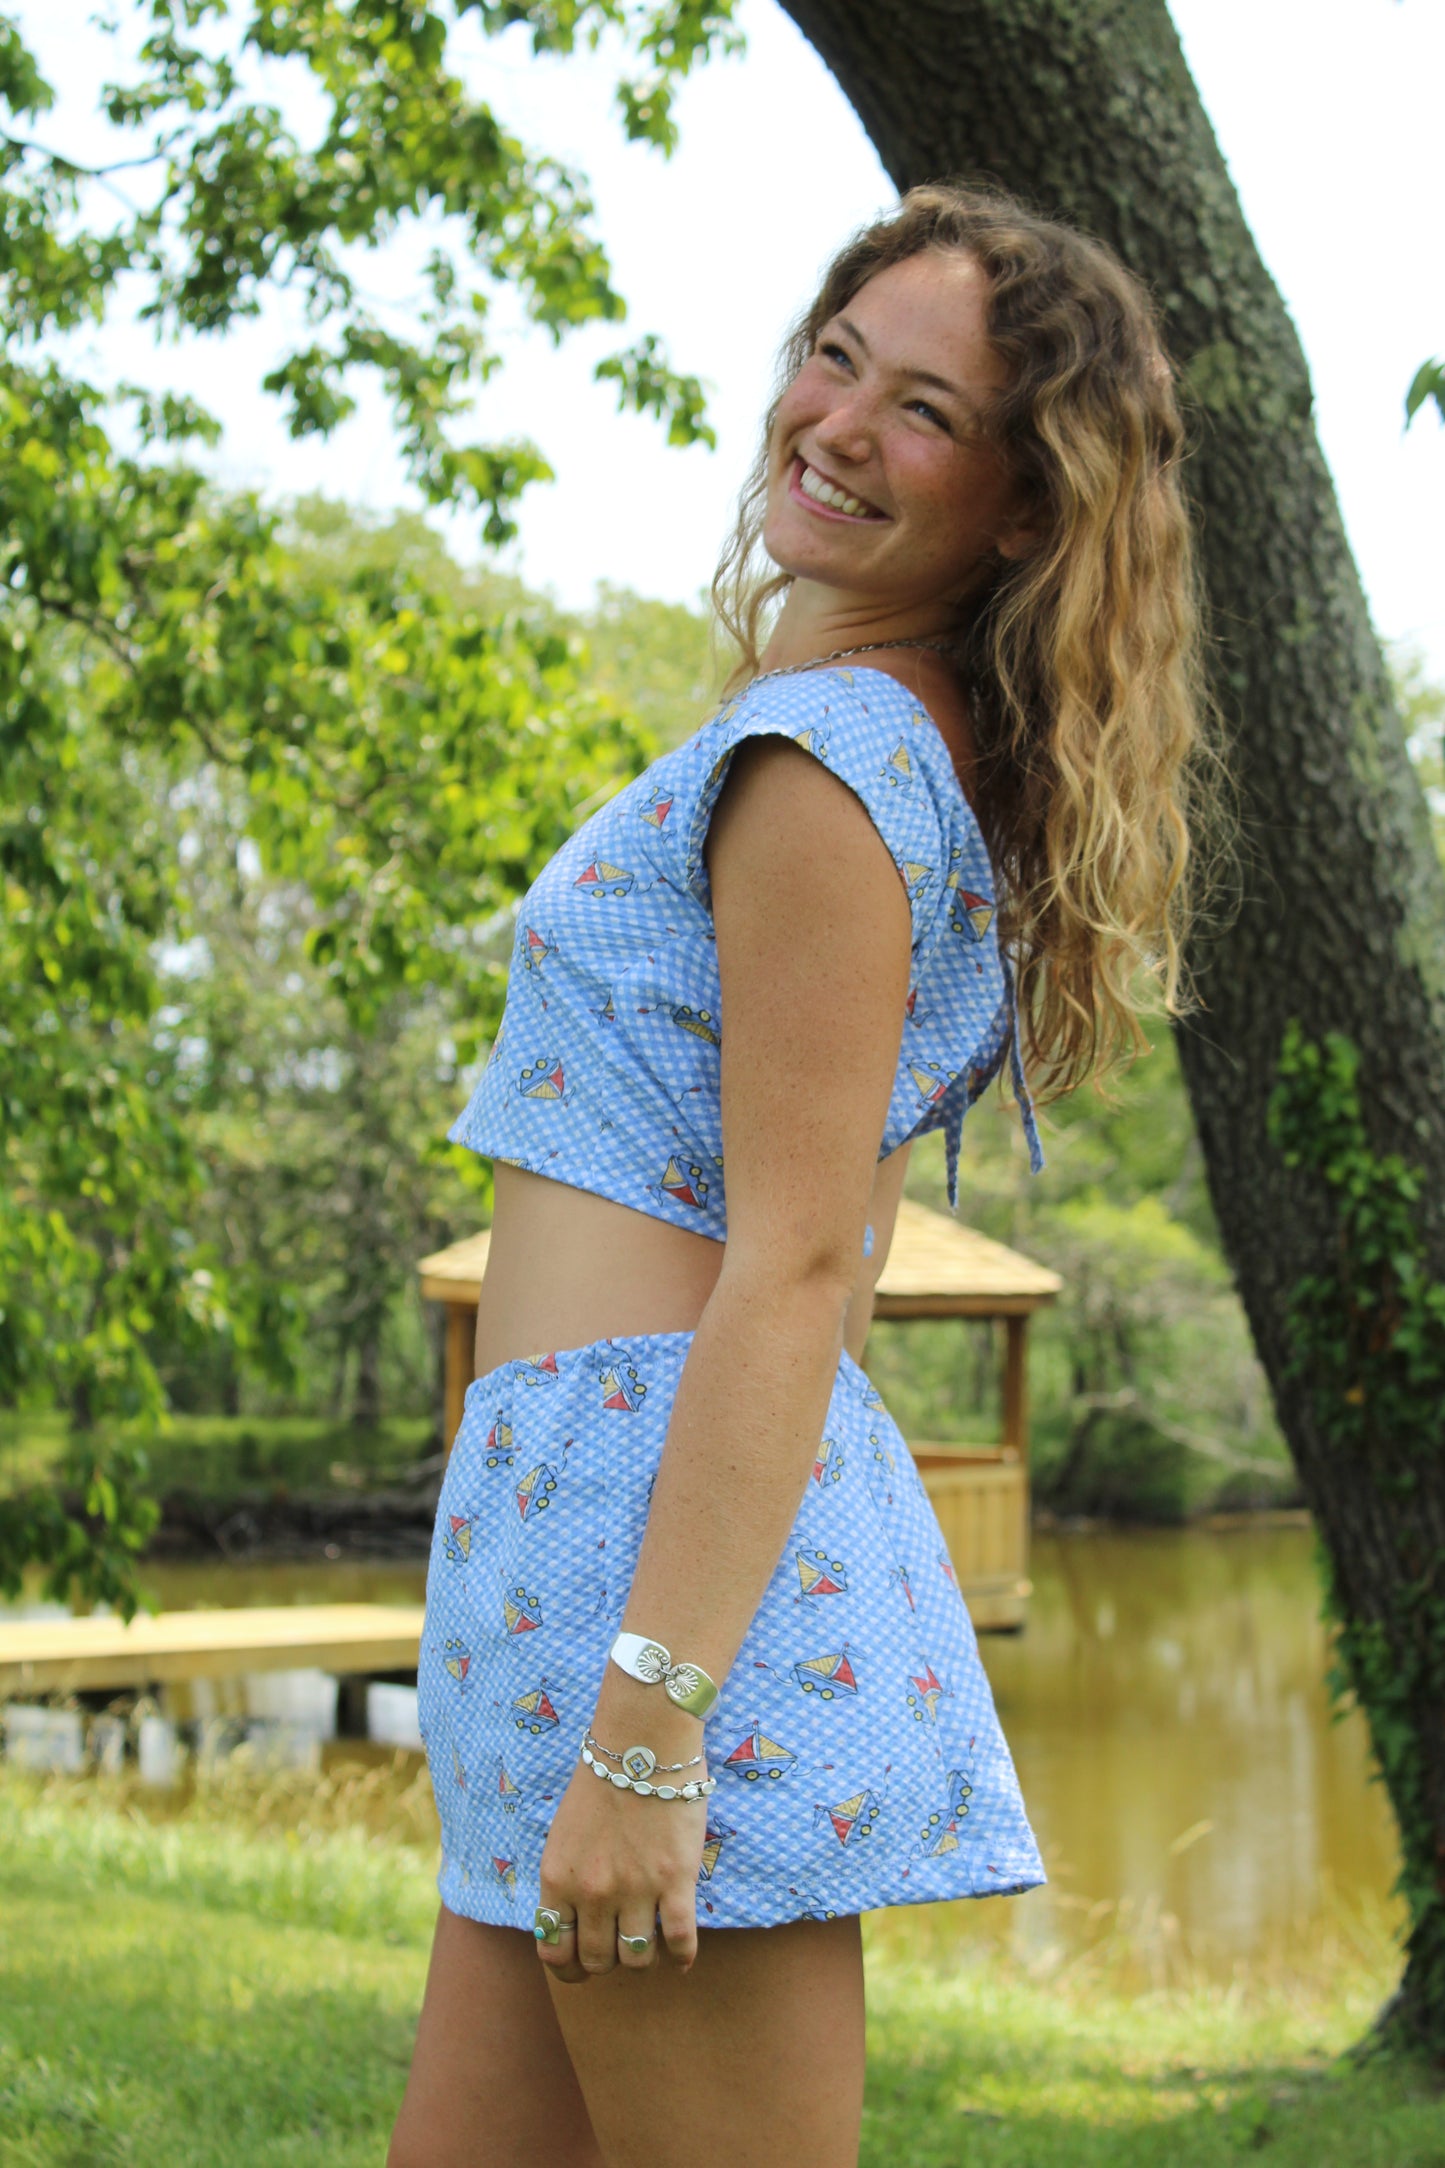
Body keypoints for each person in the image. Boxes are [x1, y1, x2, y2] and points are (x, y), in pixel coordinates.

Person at [389, 180, 1217, 2167]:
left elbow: (798, 1267)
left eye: (921, 410)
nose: (837, 423)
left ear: (1020, 506)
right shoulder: (853, 738)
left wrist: (652, 1718)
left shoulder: (831, 758)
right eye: (834, 360)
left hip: (649, 1566)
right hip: (575, 1537)